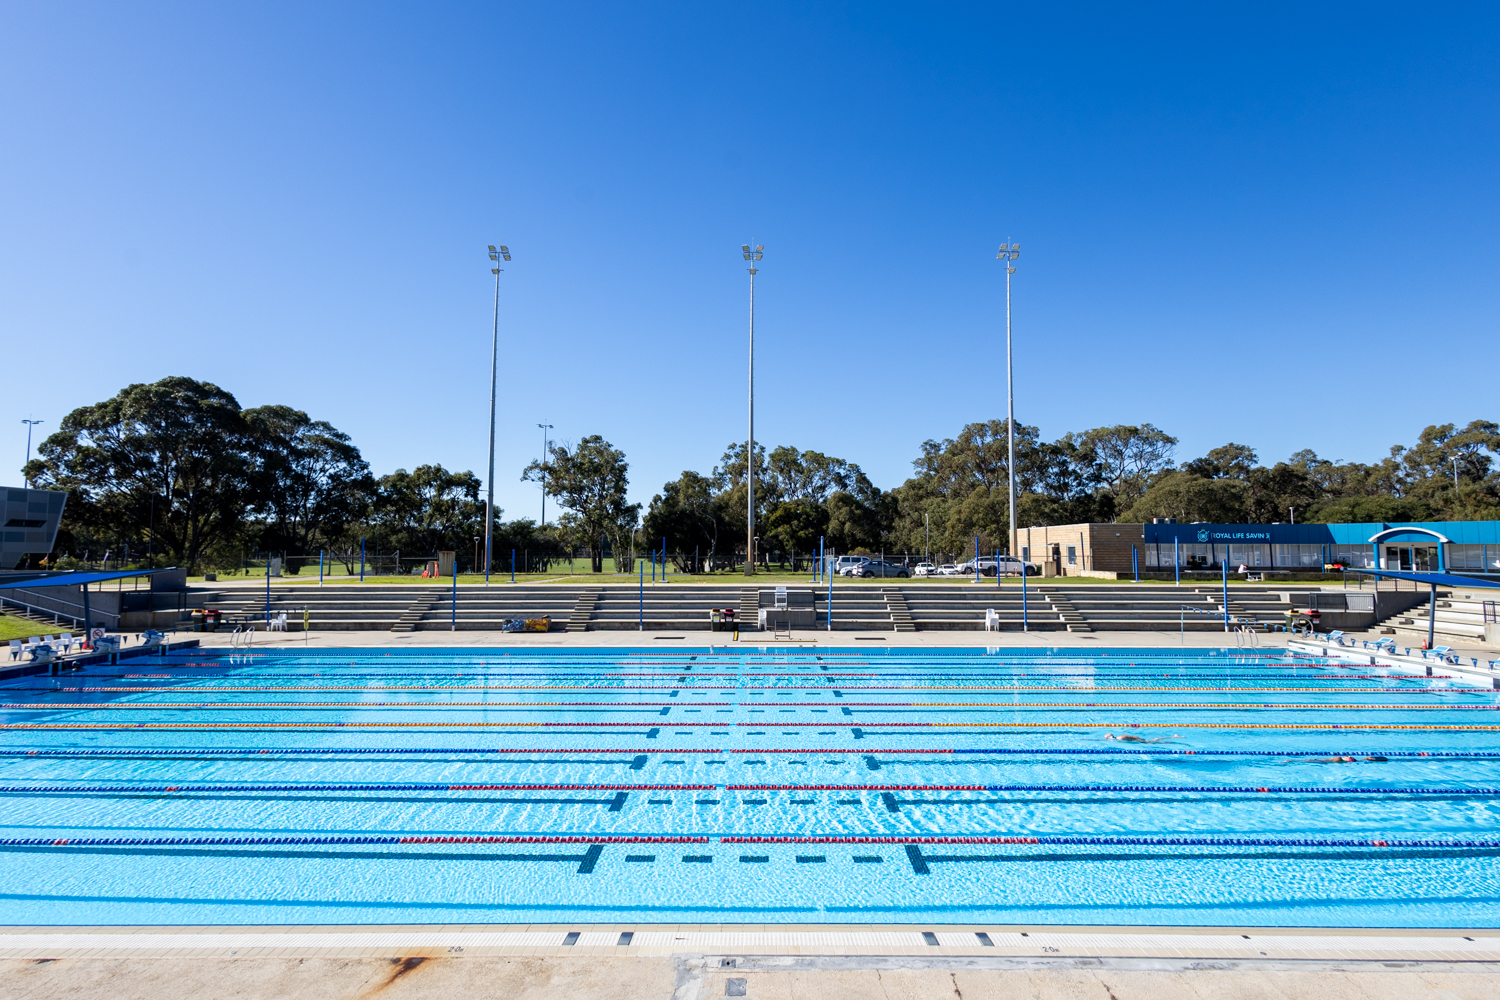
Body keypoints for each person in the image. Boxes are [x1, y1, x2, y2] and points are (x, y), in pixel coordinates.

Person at [1105, 732, 1180, 744]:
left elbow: (1134, 737)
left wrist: (1141, 740)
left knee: (1154, 742)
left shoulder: (1120, 738)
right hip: (1138, 740)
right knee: (1154, 741)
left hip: (1139, 740)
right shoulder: (1118, 738)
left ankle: (1173, 738)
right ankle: (1173, 737)